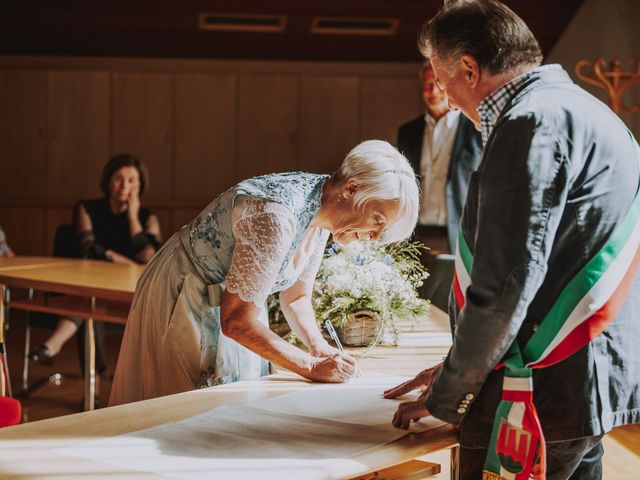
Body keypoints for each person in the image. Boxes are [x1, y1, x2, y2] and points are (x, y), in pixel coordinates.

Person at [385, 1, 640, 479]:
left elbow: (506, 285)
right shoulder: (589, 109)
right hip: (590, 379)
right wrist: (452, 366)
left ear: (468, 68)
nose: (445, 93)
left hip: (539, 392)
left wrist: (449, 394)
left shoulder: (530, 123)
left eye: (443, 79)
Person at [109, 140, 420, 406]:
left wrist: (320, 348)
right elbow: (236, 321)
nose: (377, 236)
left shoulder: (325, 212)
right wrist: (310, 366)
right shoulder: (276, 217)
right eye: (378, 219)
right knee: (176, 413)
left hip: (225, 303)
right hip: (183, 289)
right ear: (351, 189)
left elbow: (296, 296)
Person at [29, 154, 162, 371]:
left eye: (132, 180)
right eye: (119, 178)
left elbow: (149, 258)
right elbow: (89, 248)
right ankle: (92, 381)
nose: (124, 185)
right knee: (91, 303)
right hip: (89, 290)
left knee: (90, 304)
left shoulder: (147, 218)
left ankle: (54, 347)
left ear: (140, 185)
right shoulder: (87, 208)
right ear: (108, 181)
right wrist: (123, 260)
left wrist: (132, 217)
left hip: (129, 297)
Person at [397, 60, 482, 256]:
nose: (432, 90)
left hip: (460, 235)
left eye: (437, 83)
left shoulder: (476, 129)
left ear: (451, 84)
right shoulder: (408, 131)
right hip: (415, 236)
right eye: (426, 84)